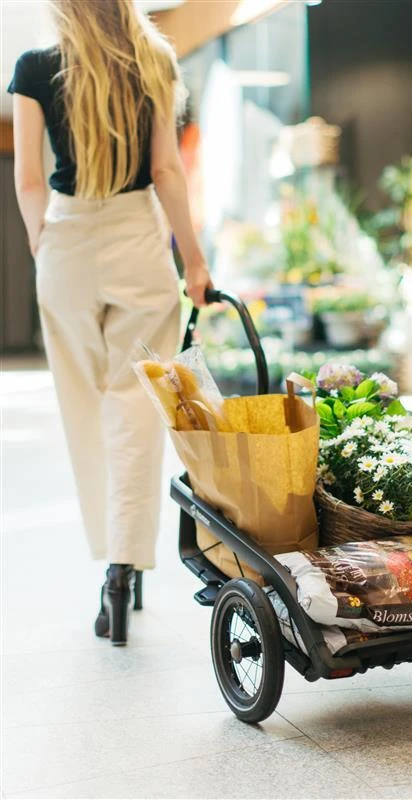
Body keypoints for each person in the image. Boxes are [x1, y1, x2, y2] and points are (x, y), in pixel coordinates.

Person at [8, 0, 211, 645]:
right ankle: (124, 567)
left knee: (85, 403)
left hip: (67, 239)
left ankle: (110, 558)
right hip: (137, 243)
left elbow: (30, 178)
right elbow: (164, 171)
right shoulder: (154, 58)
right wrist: (197, 264)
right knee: (136, 400)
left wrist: (45, 245)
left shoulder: (36, 65)